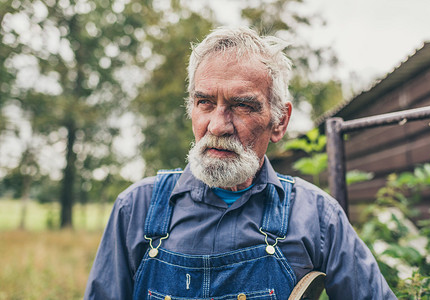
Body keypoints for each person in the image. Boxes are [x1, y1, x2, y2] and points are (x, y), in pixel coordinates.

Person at [84, 26, 396, 299]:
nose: (218, 126)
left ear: (279, 122)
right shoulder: (136, 209)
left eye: (242, 105)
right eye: (205, 102)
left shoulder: (316, 217)